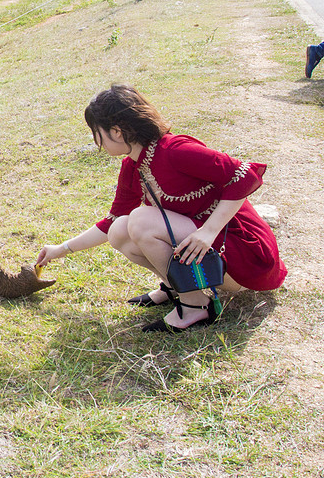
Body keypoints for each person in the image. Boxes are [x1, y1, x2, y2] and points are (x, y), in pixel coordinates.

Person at [35, 85, 286, 333]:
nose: (96, 141)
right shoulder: (133, 166)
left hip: (243, 253)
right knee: (120, 231)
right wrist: (61, 249)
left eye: (96, 132)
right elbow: (112, 221)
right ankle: (176, 287)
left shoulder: (175, 150)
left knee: (141, 220)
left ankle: (196, 306)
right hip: (209, 253)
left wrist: (208, 231)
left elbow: (245, 175)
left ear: (117, 131)